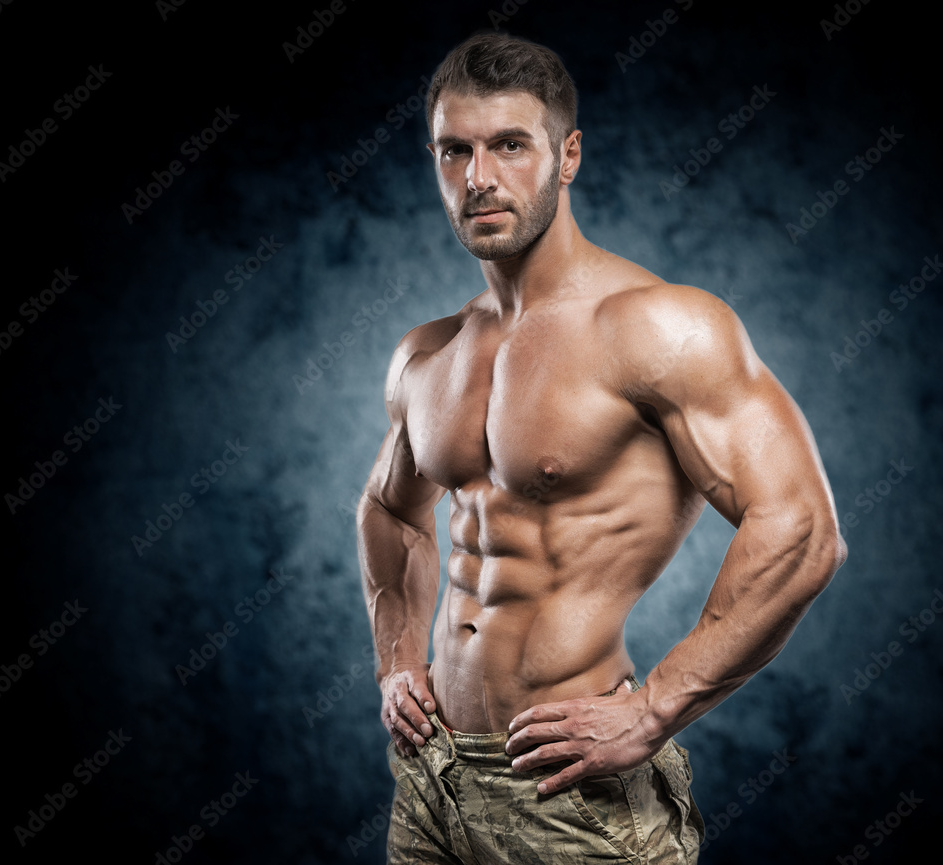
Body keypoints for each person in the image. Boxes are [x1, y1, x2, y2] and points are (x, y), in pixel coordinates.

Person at [357, 31, 846, 864]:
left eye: (510, 145)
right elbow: (390, 511)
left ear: (568, 154)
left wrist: (655, 707)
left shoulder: (659, 327)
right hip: (433, 781)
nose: (478, 178)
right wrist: (397, 661)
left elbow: (800, 528)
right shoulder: (427, 353)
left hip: (569, 793)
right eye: (454, 151)